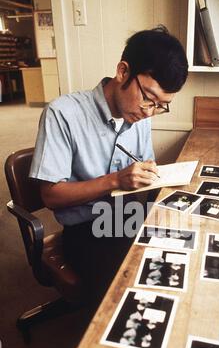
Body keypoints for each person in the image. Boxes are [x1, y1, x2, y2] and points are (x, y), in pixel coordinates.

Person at [29, 25, 188, 309]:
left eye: (161, 106)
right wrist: (115, 180)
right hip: (86, 231)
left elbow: (145, 172)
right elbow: (50, 195)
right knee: (131, 294)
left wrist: (152, 178)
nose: (149, 112)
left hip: (128, 218)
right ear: (123, 71)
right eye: (149, 99)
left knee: (182, 255)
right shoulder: (63, 113)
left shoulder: (141, 116)